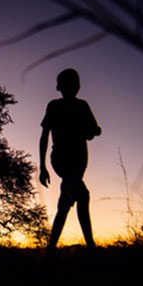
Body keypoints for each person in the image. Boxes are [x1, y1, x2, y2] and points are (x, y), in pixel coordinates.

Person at [39, 68, 101, 257]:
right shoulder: (54, 106)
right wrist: (42, 167)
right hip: (61, 160)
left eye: (75, 82)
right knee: (83, 195)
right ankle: (91, 248)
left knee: (64, 205)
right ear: (59, 87)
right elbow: (44, 137)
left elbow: (91, 132)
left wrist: (94, 130)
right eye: (68, 83)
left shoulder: (83, 106)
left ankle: (50, 252)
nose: (73, 86)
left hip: (79, 162)